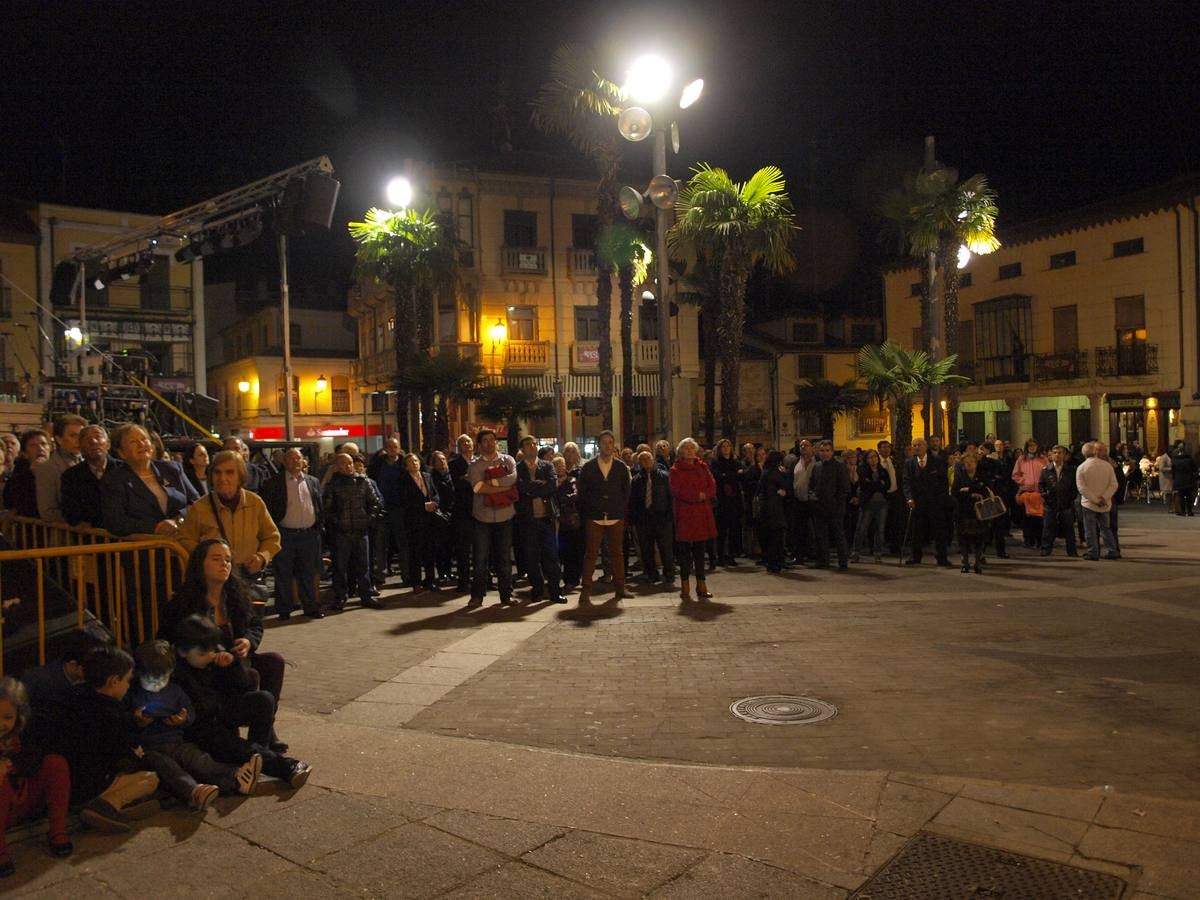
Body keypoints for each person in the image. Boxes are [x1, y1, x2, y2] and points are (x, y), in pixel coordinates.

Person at [159, 538, 289, 750]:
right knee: (252, 677)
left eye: (228, 560)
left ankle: (265, 731)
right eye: (217, 559)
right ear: (201, 564)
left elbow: (255, 625)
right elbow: (168, 640)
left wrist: (248, 640)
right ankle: (250, 731)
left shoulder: (236, 594)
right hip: (206, 668)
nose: (224, 564)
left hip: (235, 659)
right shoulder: (183, 602)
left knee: (274, 661)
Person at [170, 616, 311, 789]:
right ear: (183, 651)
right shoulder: (179, 674)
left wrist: (232, 665)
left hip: (221, 712)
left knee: (264, 699)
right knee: (243, 748)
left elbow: (243, 686)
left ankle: (261, 758)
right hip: (203, 729)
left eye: (210, 651)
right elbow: (200, 711)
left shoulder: (211, 659)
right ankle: (286, 766)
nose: (208, 656)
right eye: (201, 654)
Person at [127, 640, 261, 811]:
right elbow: (124, 724)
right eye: (151, 679)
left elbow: (190, 715)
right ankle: (194, 791)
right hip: (148, 748)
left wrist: (182, 719)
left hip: (175, 742)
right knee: (167, 767)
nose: (157, 685)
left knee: (199, 761)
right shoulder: (132, 693)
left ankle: (236, 777)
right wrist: (138, 721)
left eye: (163, 678)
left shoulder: (175, 691)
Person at [59, 645, 161, 832]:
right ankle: (107, 806)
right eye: (127, 681)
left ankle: (116, 813)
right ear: (114, 681)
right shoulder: (111, 713)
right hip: (95, 784)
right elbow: (122, 753)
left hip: (70, 784)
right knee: (150, 779)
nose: (129, 686)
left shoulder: (74, 696)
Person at [0, 677, 72, 877]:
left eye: (7, 717)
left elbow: (33, 760)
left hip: (21, 801)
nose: (1, 724)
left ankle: (57, 832)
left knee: (55, 764)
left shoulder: (21, 734)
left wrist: (7, 765)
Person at [177, 450, 281, 584]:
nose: (222, 478)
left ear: (240, 476)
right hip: (212, 583)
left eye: (229, 472)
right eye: (217, 472)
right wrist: (206, 558)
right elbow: (185, 539)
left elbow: (272, 537)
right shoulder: (200, 507)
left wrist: (261, 557)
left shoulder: (255, 503)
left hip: (246, 580)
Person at [102, 424, 198, 539]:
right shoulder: (114, 480)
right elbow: (116, 522)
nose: (141, 444)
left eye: (144, 439)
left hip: (182, 542)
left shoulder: (172, 469)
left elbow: (196, 502)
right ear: (121, 452)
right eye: (133, 442)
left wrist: (178, 520)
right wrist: (156, 527)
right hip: (143, 549)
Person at [261, 448, 325, 619]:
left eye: (299, 458)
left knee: (308, 573)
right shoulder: (273, 483)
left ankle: (310, 607)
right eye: (291, 458)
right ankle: (284, 609)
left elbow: (318, 506)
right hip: (285, 535)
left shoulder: (313, 481)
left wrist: (318, 528)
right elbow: (269, 510)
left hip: (309, 535)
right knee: (283, 573)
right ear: (284, 461)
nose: (295, 461)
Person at [576, 430, 632, 605]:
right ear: (598, 445)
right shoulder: (589, 467)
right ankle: (586, 590)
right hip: (595, 517)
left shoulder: (621, 467)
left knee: (617, 554)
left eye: (610, 442)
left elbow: (626, 492)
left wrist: (619, 509)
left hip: (615, 516)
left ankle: (620, 588)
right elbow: (582, 492)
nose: (607, 446)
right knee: (591, 555)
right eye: (604, 442)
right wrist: (589, 512)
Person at [323, 452, 383, 610]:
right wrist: (337, 524)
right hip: (341, 533)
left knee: (364, 566)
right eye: (344, 464)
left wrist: (368, 520)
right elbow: (328, 509)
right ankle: (341, 597)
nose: (349, 466)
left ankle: (366, 595)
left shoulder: (363, 482)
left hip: (361, 531)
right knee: (340, 568)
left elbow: (375, 503)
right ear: (337, 466)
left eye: (350, 463)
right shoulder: (333, 485)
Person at [466, 430, 518, 607]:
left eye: (492, 440)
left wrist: (493, 484)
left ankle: (506, 595)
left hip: (505, 516)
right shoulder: (475, 465)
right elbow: (478, 488)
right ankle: (477, 596)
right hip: (483, 517)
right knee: (480, 560)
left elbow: (513, 479)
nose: (489, 443)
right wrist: (504, 488)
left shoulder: (508, 460)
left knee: (504, 559)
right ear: (479, 445)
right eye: (485, 441)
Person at [515, 436, 565, 603]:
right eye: (528, 444)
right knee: (531, 558)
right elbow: (519, 488)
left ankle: (555, 590)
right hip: (528, 520)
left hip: (546, 518)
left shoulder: (547, 465)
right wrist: (538, 486)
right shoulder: (518, 468)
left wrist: (531, 488)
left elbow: (551, 486)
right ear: (522, 448)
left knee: (551, 557)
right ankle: (537, 590)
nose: (532, 446)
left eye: (534, 444)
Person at [670, 438, 717, 601]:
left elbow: (712, 486)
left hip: (701, 514)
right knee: (684, 554)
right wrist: (698, 495)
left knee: (699, 551)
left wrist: (704, 494)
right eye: (686, 448)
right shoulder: (676, 469)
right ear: (681, 451)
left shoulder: (703, 467)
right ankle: (685, 586)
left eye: (692, 448)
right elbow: (677, 490)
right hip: (685, 515)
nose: (689, 450)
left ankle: (701, 584)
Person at [629, 450, 674, 587]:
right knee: (646, 549)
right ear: (639, 463)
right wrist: (635, 520)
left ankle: (668, 574)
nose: (646, 461)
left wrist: (669, 517)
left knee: (665, 547)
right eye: (642, 460)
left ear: (653, 460)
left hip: (661, 517)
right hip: (644, 519)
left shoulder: (664, 477)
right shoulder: (636, 480)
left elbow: (670, 497)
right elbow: (633, 502)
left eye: (648, 458)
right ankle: (651, 574)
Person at [903, 438, 951, 566]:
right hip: (917, 503)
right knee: (916, 532)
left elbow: (943, 482)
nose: (916, 447)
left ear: (925, 447)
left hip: (935, 503)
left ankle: (942, 558)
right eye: (914, 445)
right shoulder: (909, 463)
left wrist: (941, 499)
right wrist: (909, 498)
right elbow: (906, 482)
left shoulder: (937, 461)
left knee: (939, 531)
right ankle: (915, 557)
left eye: (919, 445)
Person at [61, 424, 116, 528]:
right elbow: (69, 510)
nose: (93, 441)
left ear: (108, 444)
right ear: (80, 447)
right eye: (87, 439)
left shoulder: (124, 470)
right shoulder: (71, 476)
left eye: (98, 437)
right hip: (91, 537)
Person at [34, 413, 86, 522]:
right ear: (59, 439)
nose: (79, 440)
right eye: (73, 436)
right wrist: (82, 518)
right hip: (66, 533)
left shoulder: (88, 461)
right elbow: (47, 512)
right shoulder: (48, 468)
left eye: (81, 436)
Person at [398, 452, 439, 591]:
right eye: (411, 462)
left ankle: (430, 580)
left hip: (429, 519)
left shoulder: (427, 476)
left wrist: (435, 503)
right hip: (414, 521)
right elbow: (404, 501)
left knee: (430, 551)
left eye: (416, 461)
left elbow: (434, 493)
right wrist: (422, 506)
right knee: (415, 552)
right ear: (406, 466)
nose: (414, 463)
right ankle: (416, 582)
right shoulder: (403, 479)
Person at [809, 440, 851, 570]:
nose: (825, 453)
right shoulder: (816, 466)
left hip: (835, 509)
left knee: (838, 536)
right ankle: (823, 561)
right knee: (821, 536)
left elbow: (845, 488)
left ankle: (843, 563)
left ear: (832, 452)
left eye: (827, 451)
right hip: (819, 508)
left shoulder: (839, 466)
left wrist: (835, 503)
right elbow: (812, 485)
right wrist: (813, 497)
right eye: (822, 451)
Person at [1076, 441, 1120, 560]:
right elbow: (1114, 484)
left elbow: (1082, 488)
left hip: (1089, 503)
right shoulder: (1107, 466)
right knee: (1106, 528)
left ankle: (1093, 552)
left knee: (1090, 529)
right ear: (1095, 452)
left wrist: (1094, 499)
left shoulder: (1081, 468)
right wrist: (1104, 497)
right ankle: (1112, 550)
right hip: (1105, 503)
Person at [372, 437, 407, 587]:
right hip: (383, 509)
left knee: (402, 543)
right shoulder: (378, 464)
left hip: (400, 508)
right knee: (381, 543)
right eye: (390, 447)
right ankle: (381, 573)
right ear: (385, 449)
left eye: (395, 447)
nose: (393, 449)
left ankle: (407, 573)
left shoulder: (404, 464)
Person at [952, 450, 990, 573]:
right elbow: (955, 492)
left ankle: (978, 563)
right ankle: (965, 563)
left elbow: (986, 490)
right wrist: (971, 492)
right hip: (963, 511)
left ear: (976, 463)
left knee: (979, 538)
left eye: (971, 462)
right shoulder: (959, 476)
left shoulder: (982, 476)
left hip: (978, 511)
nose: (969, 465)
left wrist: (968, 489)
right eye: (966, 463)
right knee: (963, 538)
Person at [1038, 445, 1078, 557]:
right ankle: (1046, 548)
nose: (1057, 455)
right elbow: (1041, 485)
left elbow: (1074, 487)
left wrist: (1070, 498)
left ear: (1064, 455)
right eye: (1054, 452)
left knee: (1069, 528)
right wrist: (1045, 495)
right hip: (1050, 504)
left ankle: (1072, 550)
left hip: (1066, 504)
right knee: (1048, 527)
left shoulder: (1070, 470)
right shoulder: (1046, 470)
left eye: (1060, 452)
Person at [852, 449, 891, 563]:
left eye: (875, 456)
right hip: (867, 503)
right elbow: (865, 485)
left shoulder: (882, 471)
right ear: (866, 459)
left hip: (882, 503)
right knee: (862, 528)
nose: (873, 459)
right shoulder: (863, 470)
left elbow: (887, 485)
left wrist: (874, 484)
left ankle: (878, 553)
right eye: (870, 457)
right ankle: (856, 552)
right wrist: (879, 484)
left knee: (880, 529)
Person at [448, 435, 476, 592]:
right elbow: (453, 483)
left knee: (481, 547)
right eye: (463, 443)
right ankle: (463, 580)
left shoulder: (479, 461)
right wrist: (465, 480)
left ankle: (482, 579)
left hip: (480, 508)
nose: (466, 444)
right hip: (463, 510)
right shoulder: (454, 464)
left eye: (468, 442)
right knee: (463, 548)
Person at [2, 429, 50, 517]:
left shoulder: (58, 468)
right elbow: (12, 502)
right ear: (24, 453)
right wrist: (32, 475)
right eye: (33, 445)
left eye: (44, 444)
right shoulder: (19, 474)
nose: (40, 448)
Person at [553, 455, 583, 590]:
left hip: (569, 520)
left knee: (572, 551)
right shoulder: (551, 482)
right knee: (560, 552)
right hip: (555, 521)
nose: (560, 467)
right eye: (557, 465)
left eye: (562, 464)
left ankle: (572, 579)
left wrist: (561, 498)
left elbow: (575, 495)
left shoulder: (571, 480)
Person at [757, 451, 790, 573]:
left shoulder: (765, 472)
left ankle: (772, 562)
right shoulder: (776, 473)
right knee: (777, 538)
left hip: (767, 510)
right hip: (776, 509)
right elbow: (783, 488)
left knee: (770, 538)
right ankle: (777, 562)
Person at [711, 439, 742, 564]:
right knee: (722, 529)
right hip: (722, 500)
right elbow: (718, 477)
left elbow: (740, 475)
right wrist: (731, 475)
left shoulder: (735, 461)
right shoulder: (716, 462)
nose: (726, 448)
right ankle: (721, 555)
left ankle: (731, 555)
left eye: (728, 446)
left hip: (734, 499)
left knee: (733, 528)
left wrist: (727, 476)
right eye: (723, 446)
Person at [1011, 439, 1047, 547]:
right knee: (1027, 518)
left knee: (1039, 518)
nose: (1032, 447)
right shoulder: (1021, 459)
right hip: (1026, 491)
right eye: (1030, 446)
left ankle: (1039, 540)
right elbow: (1015, 475)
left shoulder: (1043, 458)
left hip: (1039, 492)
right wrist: (1023, 481)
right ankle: (1028, 539)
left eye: (1034, 445)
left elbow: (1048, 472)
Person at [789, 440, 816, 565]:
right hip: (798, 502)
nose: (804, 447)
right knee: (798, 530)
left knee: (814, 530)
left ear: (812, 448)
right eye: (801, 446)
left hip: (813, 502)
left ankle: (814, 554)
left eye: (806, 445)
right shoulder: (795, 463)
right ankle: (798, 555)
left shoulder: (817, 463)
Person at [430, 451, 456, 583]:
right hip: (439, 515)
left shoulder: (451, 476)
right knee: (441, 545)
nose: (442, 462)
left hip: (452, 512)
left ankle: (449, 570)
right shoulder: (432, 478)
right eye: (439, 460)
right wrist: (440, 511)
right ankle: (442, 572)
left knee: (450, 545)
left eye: (444, 459)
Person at [1170, 443, 1196, 516]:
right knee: (1189, 496)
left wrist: (1175, 478)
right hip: (1189, 480)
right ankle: (1190, 511)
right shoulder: (1189, 459)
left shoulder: (1175, 460)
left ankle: (1183, 511)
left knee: (1181, 496)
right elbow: (1194, 469)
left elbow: (1173, 471)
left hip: (1179, 480)